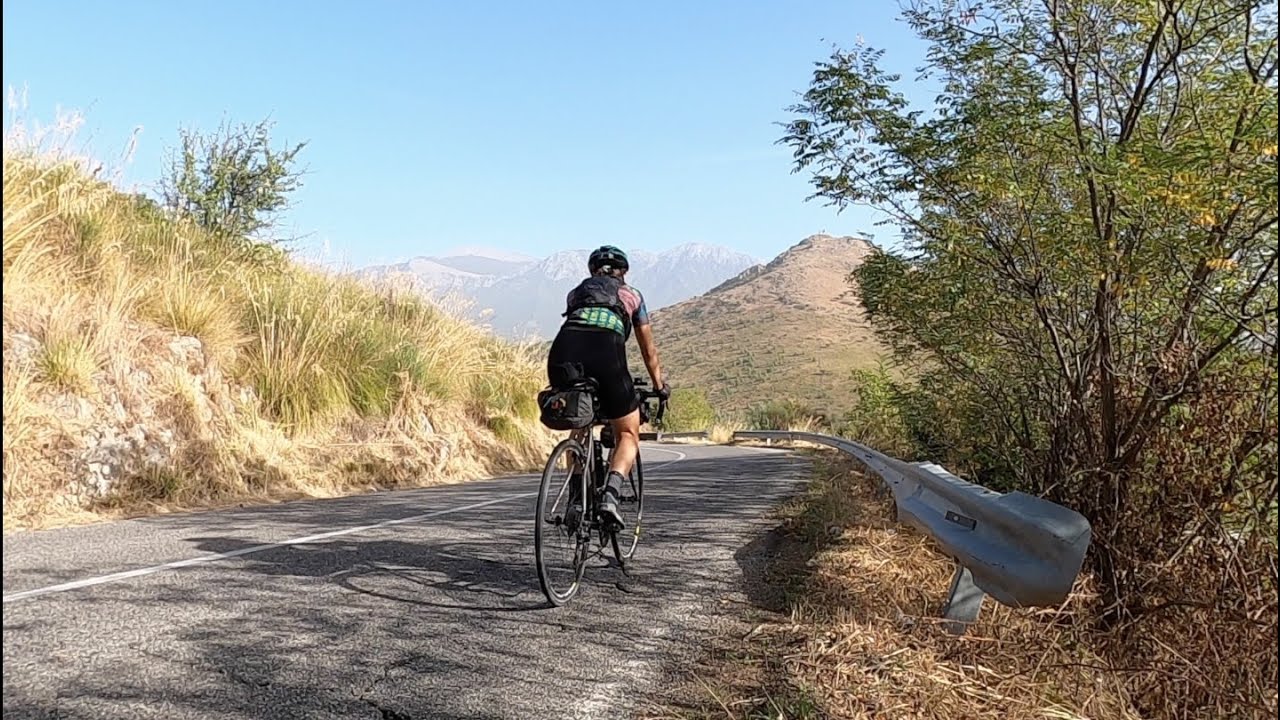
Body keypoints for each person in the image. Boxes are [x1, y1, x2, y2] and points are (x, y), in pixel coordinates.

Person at [546, 245, 669, 530]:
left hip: (562, 353)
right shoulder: (633, 296)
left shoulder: (576, 293)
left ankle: (576, 500)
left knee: (580, 420)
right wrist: (659, 386)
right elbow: (648, 352)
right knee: (628, 431)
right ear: (623, 272)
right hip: (606, 353)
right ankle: (610, 497)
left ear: (592, 271)